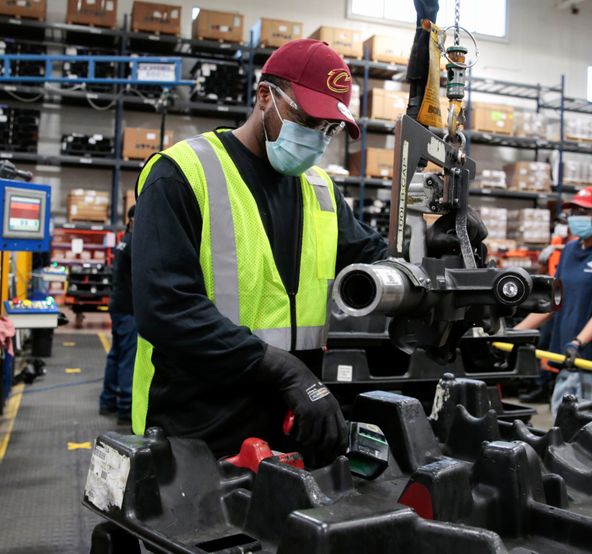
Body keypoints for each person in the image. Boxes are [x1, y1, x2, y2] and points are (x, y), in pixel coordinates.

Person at [130, 39, 482, 460]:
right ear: (266, 97)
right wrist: (283, 369)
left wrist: (435, 260)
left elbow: (374, 260)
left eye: (329, 129)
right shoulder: (182, 175)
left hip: (290, 422)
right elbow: (166, 308)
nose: (318, 138)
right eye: (308, 120)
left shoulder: (320, 191)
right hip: (197, 426)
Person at [516, 186, 592, 414]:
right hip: (571, 362)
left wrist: (577, 342)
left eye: (584, 211)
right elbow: (553, 303)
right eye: (574, 211)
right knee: (563, 435)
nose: (576, 217)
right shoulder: (569, 251)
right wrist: (514, 333)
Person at [99, 205, 137, 426]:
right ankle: (125, 407)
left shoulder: (122, 242)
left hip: (118, 306)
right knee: (127, 359)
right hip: (129, 309)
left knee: (115, 354)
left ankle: (108, 401)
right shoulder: (133, 244)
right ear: (133, 219)